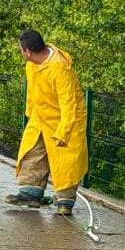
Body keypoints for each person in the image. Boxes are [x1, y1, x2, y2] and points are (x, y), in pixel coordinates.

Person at [5, 29, 88, 216]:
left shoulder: (59, 68)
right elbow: (31, 92)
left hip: (66, 118)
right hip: (40, 116)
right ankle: (30, 192)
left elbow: (69, 103)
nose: (21, 53)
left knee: (66, 160)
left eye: (21, 50)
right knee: (32, 151)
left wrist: (64, 131)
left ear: (27, 51)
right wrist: (29, 114)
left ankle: (65, 201)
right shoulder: (31, 66)